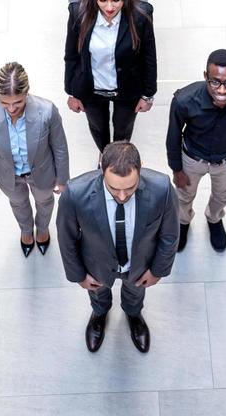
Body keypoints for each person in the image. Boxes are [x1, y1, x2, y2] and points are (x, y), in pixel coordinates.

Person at [56, 140, 179, 353]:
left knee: (135, 294)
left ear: (140, 170)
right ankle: (99, 314)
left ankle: (133, 314)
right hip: (96, 265)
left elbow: (169, 235)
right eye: (113, 188)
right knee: (98, 294)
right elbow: (67, 239)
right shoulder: (75, 193)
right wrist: (79, 276)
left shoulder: (163, 189)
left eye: (130, 188)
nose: (122, 196)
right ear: (101, 170)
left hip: (140, 265)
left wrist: (157, 270)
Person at [166, 49, 226, 253]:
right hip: (192, 158)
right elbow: (173, 136)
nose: (222, 90)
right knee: (184, 195)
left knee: (222, 196)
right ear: (205, 77)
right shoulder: (184, 100)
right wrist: (177, 170)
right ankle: (183, 222)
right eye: (215, 82)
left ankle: (214, 219)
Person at [0, 61, 70, 257]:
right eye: (4, 103)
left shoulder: (47, 111)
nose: (11, 108)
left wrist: (62, 179)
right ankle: (26, 231)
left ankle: (42, 229)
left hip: (43, 173)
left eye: (17, 102)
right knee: (18, 203)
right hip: (8, 175)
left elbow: (60, 146)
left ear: (27, 93)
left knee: (44, 202)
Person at [64, 0, 156, 153]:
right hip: (92, 89)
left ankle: (116, 159)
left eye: (116, 0)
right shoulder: (78, 14)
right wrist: (71, 92)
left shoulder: (141, 15)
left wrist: (148, 94)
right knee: (98, 129)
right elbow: (71, 56)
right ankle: (105, 156)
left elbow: (149, 58)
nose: (109, 7)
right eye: (103, 0)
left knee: (123, 131)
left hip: (127, 88)